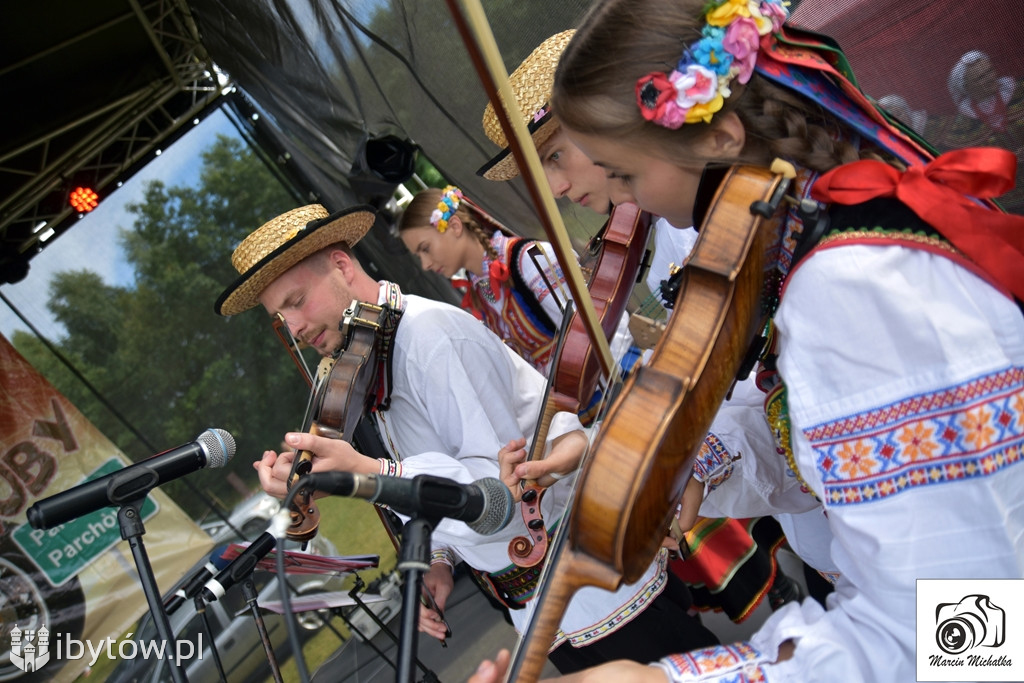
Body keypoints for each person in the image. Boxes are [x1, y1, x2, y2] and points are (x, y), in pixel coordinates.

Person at [474, 0, 1024, 679]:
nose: (630, 204)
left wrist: (670, 677)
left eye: (626, 174)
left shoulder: (849, 285)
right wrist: (671, 460)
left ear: (720, 134)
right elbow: (825, 449)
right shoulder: (820, 230)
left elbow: (977, 635)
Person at [213, 203, 719, 673]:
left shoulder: (429, 336)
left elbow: (496, 497)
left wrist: (371, 474)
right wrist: (437, 559)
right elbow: (449, 482)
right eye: (281, 318)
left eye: (297, 302)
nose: (295, 327)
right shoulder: (370, 360)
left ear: (343, 266)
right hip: (546, 607)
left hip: (598, 589)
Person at [477, 29, 809, 626]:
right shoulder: (664, 235)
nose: (556, 187)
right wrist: (637, 456)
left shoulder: (725, 210)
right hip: (838, 516)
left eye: (556, 155)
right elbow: (742, 390)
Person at [397, 184, 636, 380]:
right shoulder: (480, 293)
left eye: (425, 249)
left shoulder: (528, 260)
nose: (425, 264)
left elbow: (603, 328)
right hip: (581, 405)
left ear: (455, 226)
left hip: (619, 377)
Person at [929, 50, 1024, 214]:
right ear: (966, 88)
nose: (989, 78)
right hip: (1008, 204)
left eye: (990, 71)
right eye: (980, 78)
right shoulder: (958, 127)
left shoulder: (1020, 91)